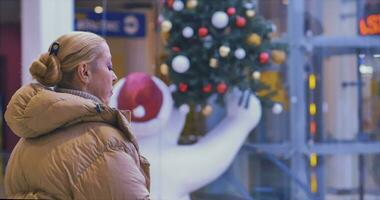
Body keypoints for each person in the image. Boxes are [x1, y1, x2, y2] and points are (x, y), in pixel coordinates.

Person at [4, 31, 150, 199]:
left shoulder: (23, 145)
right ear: (84, 72)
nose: (114, 76)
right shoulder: (106, 143)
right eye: (109, 66)